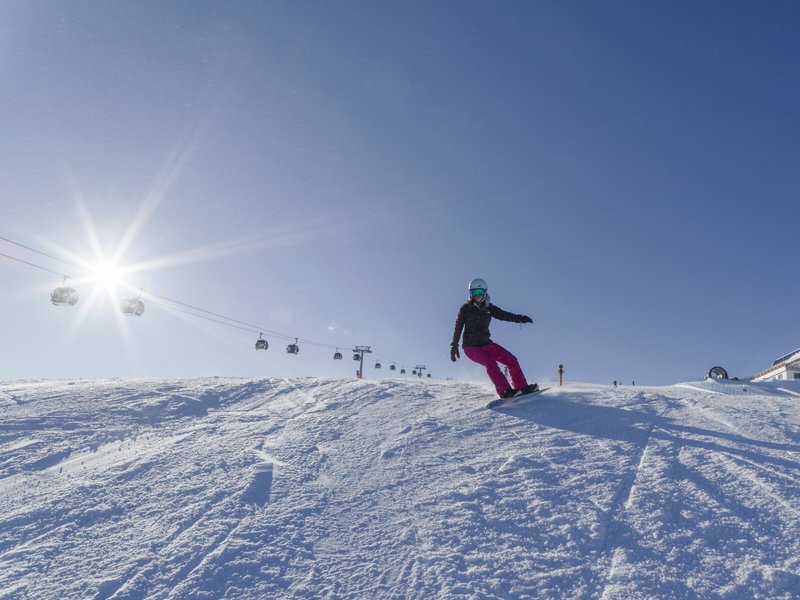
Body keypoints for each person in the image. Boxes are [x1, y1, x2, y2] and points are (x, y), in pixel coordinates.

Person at [450, 278, 538, 398]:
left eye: (479, 293)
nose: (476, 296)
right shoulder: (465, 309)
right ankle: (505, 391)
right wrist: (454, 345)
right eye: (473, 293)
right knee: (490, 363)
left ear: (485, 292)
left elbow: (504, 315)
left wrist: (519, 318)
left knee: (511, 360)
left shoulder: (489, 308)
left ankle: (522, 387)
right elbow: (458, 327)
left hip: (486, 344)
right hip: (471, 347)